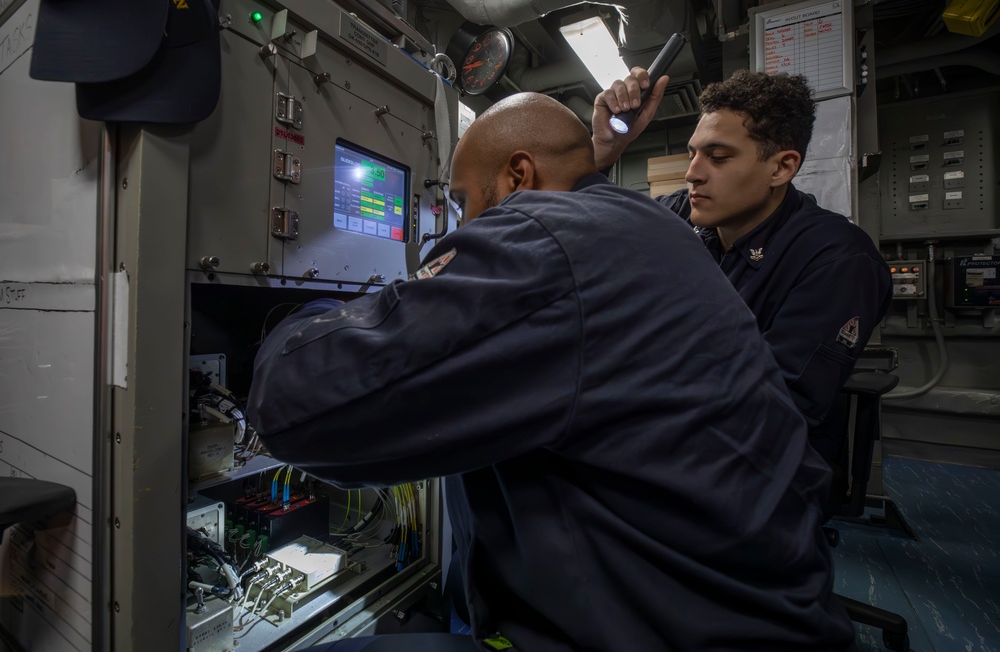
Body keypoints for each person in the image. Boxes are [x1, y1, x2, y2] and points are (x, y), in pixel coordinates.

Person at [248, 92, 855, 651]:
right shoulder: (653, 230)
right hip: (749, 611)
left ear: (519, 175)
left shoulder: (547, 236)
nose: (460, 221)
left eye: (463, 200)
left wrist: (313, 313)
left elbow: (294, 405)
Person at [593, 68, 893, 469]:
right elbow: (581, 235)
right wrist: (601, 151)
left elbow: (770, 406)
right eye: (693, 154)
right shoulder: (682, 216)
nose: (692, 173)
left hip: (758, 469)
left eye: (718, 158)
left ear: (781, 168)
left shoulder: (837, 259)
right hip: (666, 430)